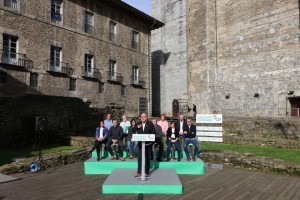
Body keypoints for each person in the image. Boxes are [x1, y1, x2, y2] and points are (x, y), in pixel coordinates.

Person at [132, 113, 156, 178]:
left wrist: (151, 140)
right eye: (141, 117)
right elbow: (133, 130)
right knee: (140, 158)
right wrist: (137, 127)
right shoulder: (138, 123)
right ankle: (139, 172)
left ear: (147, 117)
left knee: (147, 158)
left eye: (144, 117)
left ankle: (147, 172)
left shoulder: (150, 124)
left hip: (148, 144)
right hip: (140, 144)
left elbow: (154, 133)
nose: (142, 118)